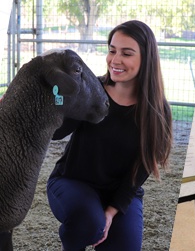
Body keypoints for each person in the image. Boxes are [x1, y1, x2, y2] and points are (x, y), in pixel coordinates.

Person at [46, 20, 173, 250]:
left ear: (146, 58)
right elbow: (56, 132)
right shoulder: (90, 89)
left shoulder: (157, 110)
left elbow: (142, 169)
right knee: (89, 222)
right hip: (72, 182)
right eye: (112, 50)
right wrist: (55, 98)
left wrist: (112, 212)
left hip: (120, 192)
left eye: (127, 53)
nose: (115, 60)